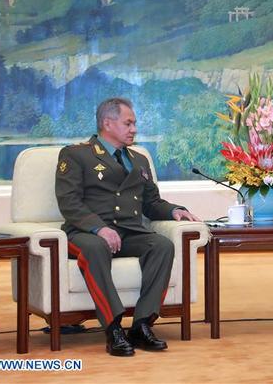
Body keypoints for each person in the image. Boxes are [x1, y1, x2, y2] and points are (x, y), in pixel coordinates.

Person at [55, 97, 201, 356]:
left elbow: (151, 203)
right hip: (86, 232)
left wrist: (174, 210)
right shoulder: (76, 155)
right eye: (128, 123)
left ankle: (142, 325)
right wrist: (99, 228)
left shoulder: (139, 160)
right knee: (96, 248)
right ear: (107, 123)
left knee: (162, 246)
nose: (134, 129)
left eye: (134, 123)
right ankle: (113, 328)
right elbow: (69, 202)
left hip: (130, 232)